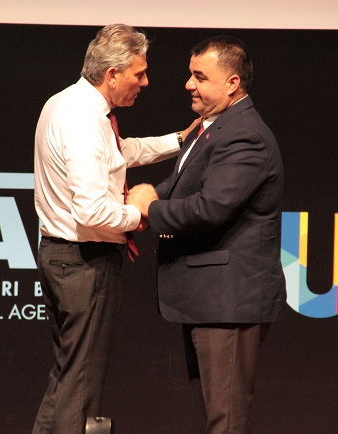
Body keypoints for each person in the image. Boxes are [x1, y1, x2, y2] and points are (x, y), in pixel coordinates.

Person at [32, 23, 198, 434]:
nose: (146, 82)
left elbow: (118, 152)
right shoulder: (84, 121)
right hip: (85, 263)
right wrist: (141, 214)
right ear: (112, 75)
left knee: (69, 376)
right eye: (139, 73)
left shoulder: (67, 103)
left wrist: (178, 140)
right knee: (81, 386)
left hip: (63, 257)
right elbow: (91, 212)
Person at [127, 36, 286, 433]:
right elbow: (183, 183)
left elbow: (209, 207)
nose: (188, 84)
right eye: (190, 74)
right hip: (211, 300)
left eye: (200, 77)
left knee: (225, 419)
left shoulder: (244, 134)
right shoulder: (214, 126)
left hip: (228, 302)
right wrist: (149, 198)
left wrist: (150, 209)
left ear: (232, 83)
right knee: (218, 413)